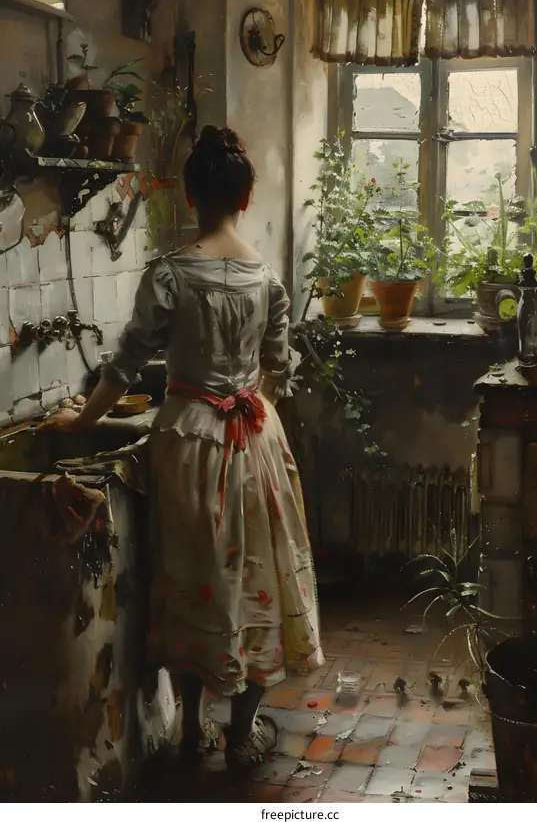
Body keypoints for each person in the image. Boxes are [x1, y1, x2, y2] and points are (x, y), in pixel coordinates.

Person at [38, 125, 324, 769]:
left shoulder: (170, 274)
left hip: (188, 441)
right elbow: (278, 364)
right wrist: (249, 395)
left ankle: (193, 729)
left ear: (191, 197)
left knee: (195, 578)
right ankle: (240, 731)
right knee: (258, 578)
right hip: (253, 438)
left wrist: (83, 419)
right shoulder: (267, 280)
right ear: (244, 200)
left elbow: (123, 365)